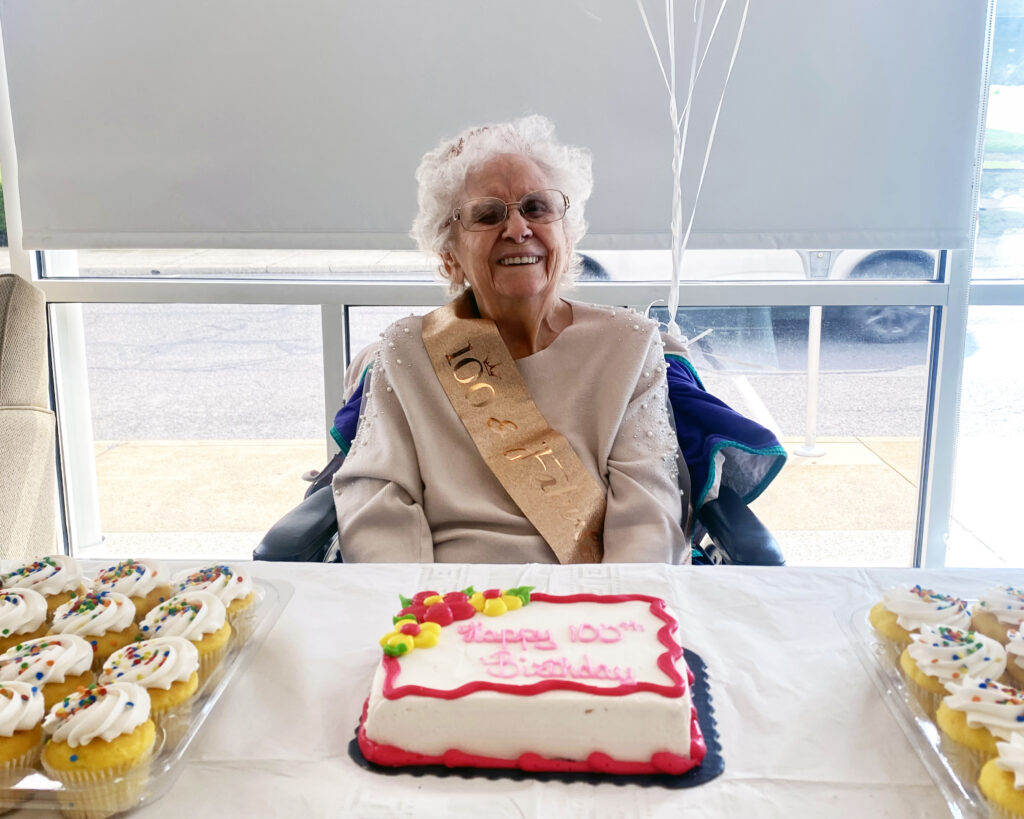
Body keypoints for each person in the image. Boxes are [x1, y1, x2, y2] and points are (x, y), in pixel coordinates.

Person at [332, 115, 688, 564]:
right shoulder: (409, 349)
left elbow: (648, 517)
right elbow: (375, 504)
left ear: (567, 235)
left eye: (536, 208)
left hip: (588, 607)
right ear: (450, 256)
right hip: (446, 605)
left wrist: (612, 614)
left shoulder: (628, 346)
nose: (518, 229)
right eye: (488, 214)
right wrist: (418, 612)